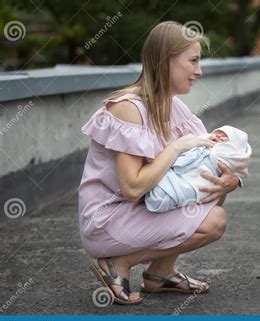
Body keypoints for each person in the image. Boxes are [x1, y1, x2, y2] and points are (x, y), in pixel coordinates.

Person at [78, 21, 240, 305]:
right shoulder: (129, 108)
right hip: (109, 218)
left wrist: (233, 180)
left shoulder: (175, 106)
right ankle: (117, 263)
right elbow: (131, 187)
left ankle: (160, 274)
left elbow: (203, 163)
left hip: (140, 209)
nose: (199, 71)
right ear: (166, 61)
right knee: (214, 221)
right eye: (192, 61)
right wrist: (175, 148)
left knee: (212, 189)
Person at [145, 125, 251, 213]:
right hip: (168, 175)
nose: (218, 136)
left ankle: (169, 197)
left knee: (191, 189)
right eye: (217, 133)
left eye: (224, 137)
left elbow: (234, 162)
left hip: (199, 177)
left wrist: (235, 179)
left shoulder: (225, 153)